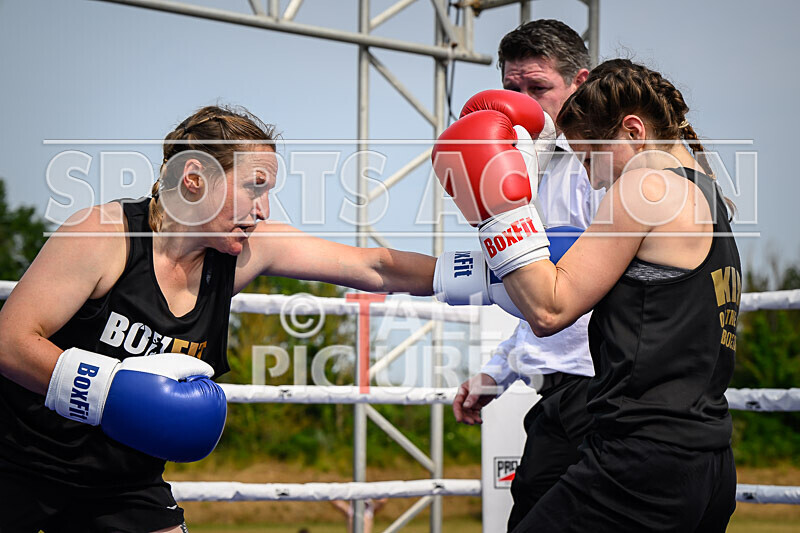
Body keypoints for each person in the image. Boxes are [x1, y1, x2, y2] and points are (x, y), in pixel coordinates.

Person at [0, 105, 436, 532]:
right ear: (193, 179)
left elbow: (375, 266)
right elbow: (9, 340)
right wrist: (109, 394)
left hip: (123, 484)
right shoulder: (104, 235)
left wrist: (491, 272)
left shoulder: (244, 253)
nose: (263, 210)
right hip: (16, 463)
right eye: (254, 187)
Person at [437, 59, 740, 531]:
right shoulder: (709, 197)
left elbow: (549, 308)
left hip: (642, 458)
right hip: (706, 459)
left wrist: (494, 211)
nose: (593, 178)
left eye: (589, 156)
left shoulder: (645, 183)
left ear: (632, 130)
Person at [448, 20, 604, 531]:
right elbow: (538, 296)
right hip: (557, 396)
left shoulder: (602, 170)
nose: (524, 106)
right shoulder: (533, 170)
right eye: (511, 90)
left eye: (538, 89)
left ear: (579, 83)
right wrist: (498, 371)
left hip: (607, 395)